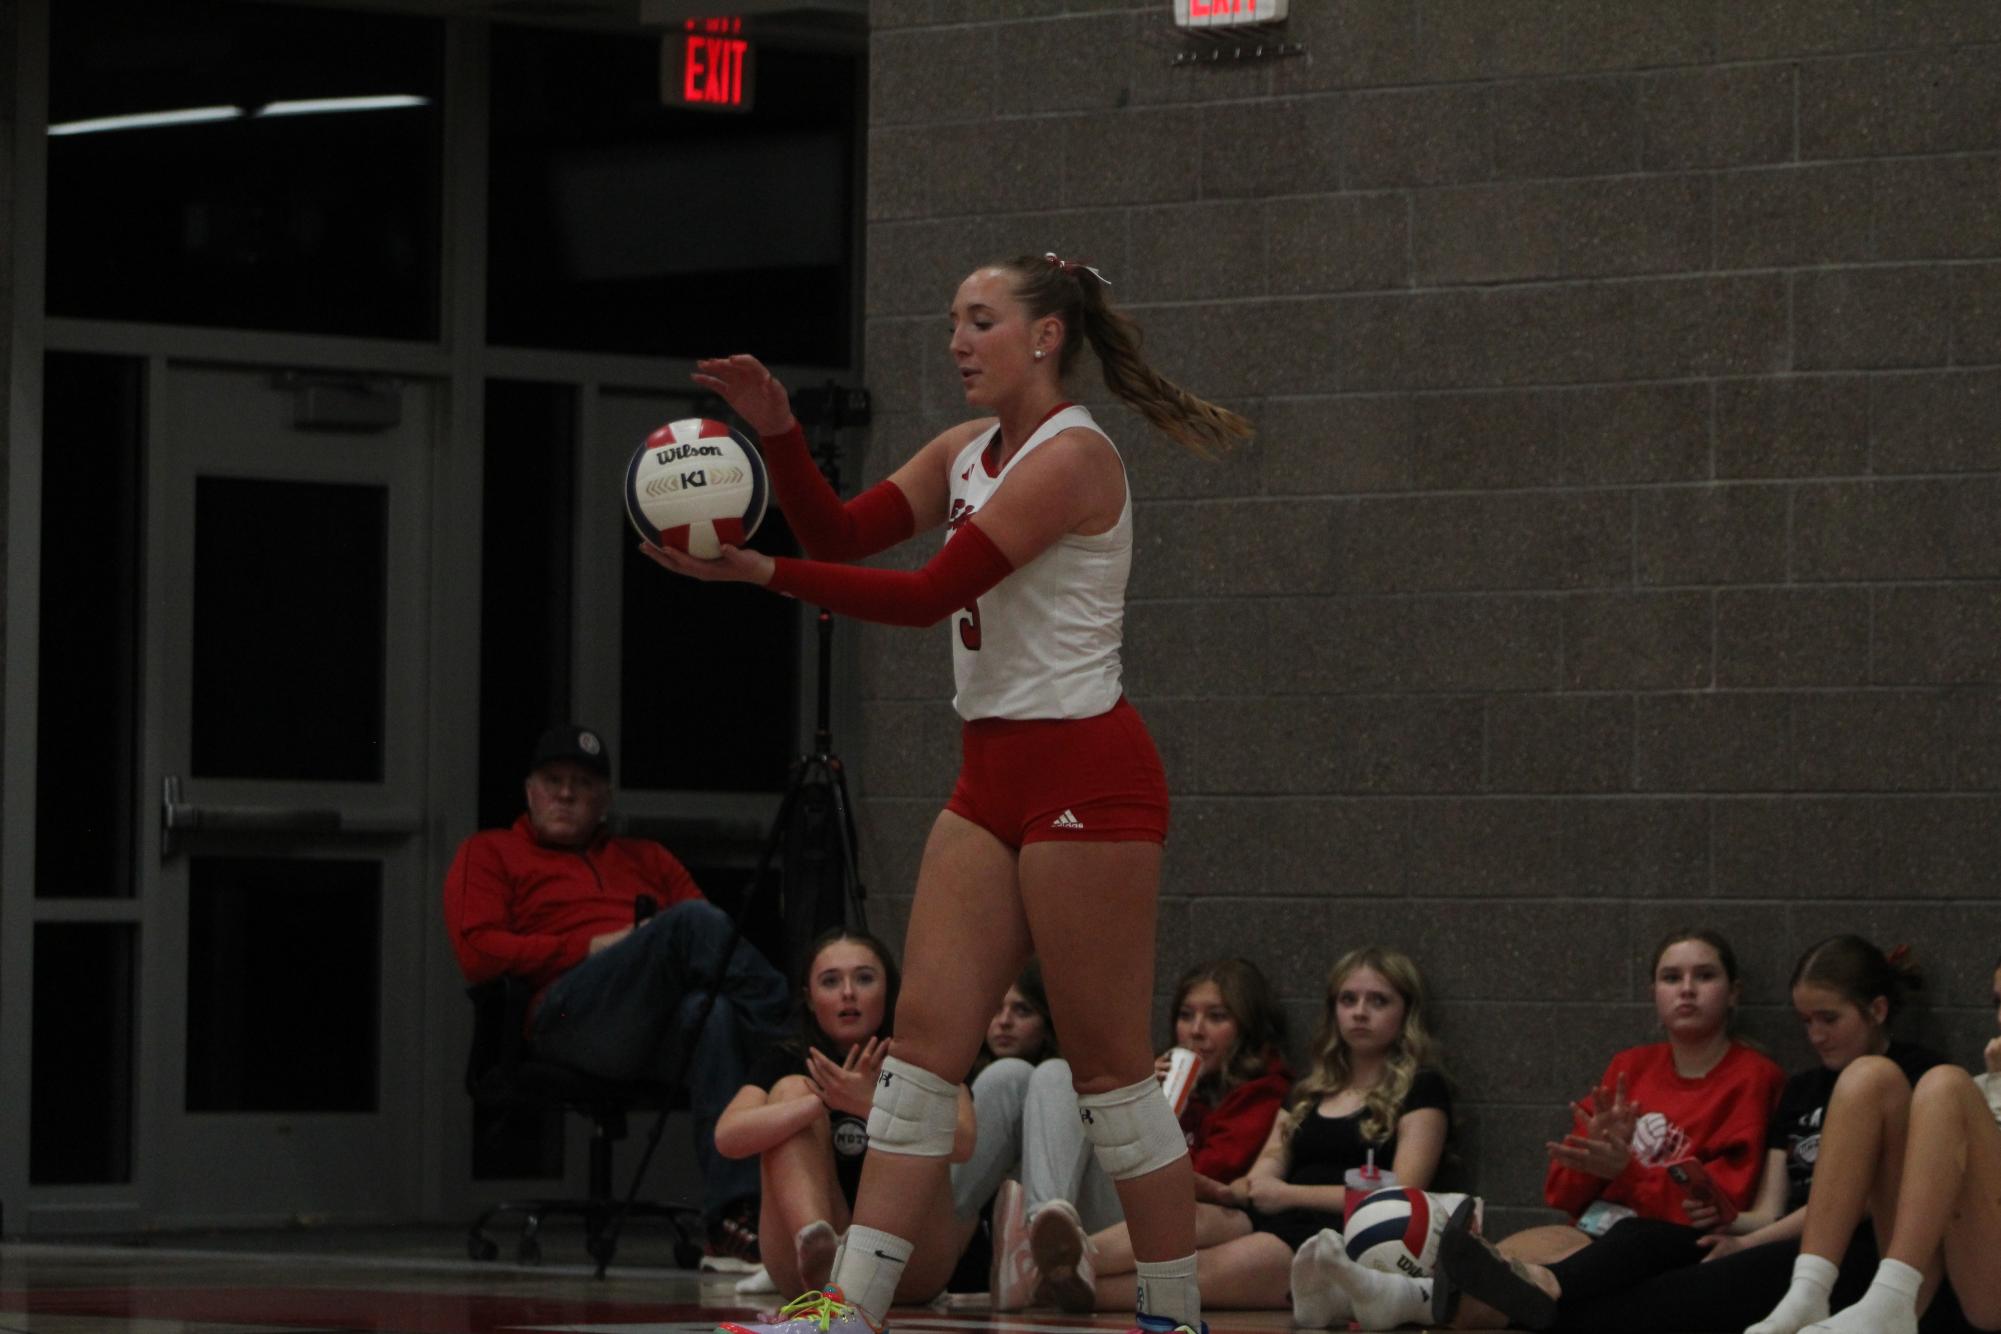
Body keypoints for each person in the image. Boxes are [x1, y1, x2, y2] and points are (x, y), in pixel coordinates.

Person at [654, 251, 1252, 1334]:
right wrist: (779, 429)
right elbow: (840, 531)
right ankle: (849, 1309)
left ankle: (1174, 1313)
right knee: (922, 1056)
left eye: (980, 320)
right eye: (951, 322)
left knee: (1114, 1072)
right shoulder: (964, 450)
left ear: (1046, 335)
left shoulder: (1073, 457)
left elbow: (931, 593)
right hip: (989, 771)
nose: (956, 342)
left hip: (1087, 773)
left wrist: (762, 573)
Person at [1426, 935, 1958, 1333]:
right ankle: (1529, 1285)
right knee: (1637, 1239)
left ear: (1878, 1011)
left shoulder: (1910, 1074)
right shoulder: (1801, 1088)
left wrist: (1745, 1240)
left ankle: (1506, 1310)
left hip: (1839, 1248)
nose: (1815, 1035)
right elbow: (1767, 1206)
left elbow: (1871, 1196)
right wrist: (1731, 1221)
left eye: (1829, 1019)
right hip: (1765, 1231)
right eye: (1805, 1022)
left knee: (1669, 1291)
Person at [443, 723, 793, 1262]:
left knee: (712, 1011)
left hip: (652, 1025)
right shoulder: (489, 853)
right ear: (529, 791)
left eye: (582, 784)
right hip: (565, 1017)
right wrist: (593, 948)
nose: (565, 793)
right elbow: (479, 952)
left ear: (604, 800)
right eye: (553, 780)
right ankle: (796, 1040)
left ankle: (732, 1218)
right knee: (687, 923)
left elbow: (713, 957)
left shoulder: (647, 857)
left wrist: (646, 950)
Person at [1076, 947, 1452, 1321]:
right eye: (1348, 999)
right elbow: (1265, 1171)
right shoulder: (1311, 1090)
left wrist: (1287, 1194)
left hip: (1337, 1235)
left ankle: (1065, 1287)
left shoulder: (1422, 1089)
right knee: (1191, 1217)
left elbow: (1404, 1194)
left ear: (1406, 1012)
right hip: (1270, 1214)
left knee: (1197, 1271)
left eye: (1378, 1001)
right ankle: (1064, 1258)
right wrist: (1228, 1190)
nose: (1359, 1012)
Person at [986, 957, 1291, 1311]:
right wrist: (1141, 1092)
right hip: (1125, 1206)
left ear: (1246, 1027)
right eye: (1186, 1015)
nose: (1196, 1030)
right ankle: (1039, 1230)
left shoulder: (1262, 1092)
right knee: (1056, 1073)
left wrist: (1152, 1112)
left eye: (1217, 1017)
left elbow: (1212, 1174)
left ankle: (1036, 1264)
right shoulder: (1162, 1077)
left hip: (1173, 1221)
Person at [1744, 953, 2001, 1334]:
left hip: (1989, 1289)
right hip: (1934, 1274)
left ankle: (1892, 1299)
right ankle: (1809, 1292)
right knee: (1869, 1076)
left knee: (1946, 1084)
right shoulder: (1984, 1084)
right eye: (1998, 1003)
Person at [717, 928, 974, 1302]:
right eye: (831, 981)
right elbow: (728, 1137)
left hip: (907, 1264)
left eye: (865, 978)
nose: (848, 993)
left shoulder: (921, 1056)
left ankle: (847, 1266)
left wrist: (869, 1105)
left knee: (915, 1090)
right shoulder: (787, 1058)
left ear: (890, 992)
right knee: (791, 1090)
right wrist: (822, 1102)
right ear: (808, 998)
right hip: (808, 1268)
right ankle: (815, 1244)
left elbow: (964, 1142)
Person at [942, 961, 1060, 1299]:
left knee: (1044, 1076)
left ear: (1048, 1022)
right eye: (994, 1009)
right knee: (1007, 1076)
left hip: (1056, 1242)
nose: (1004, 1021)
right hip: (959, 1254)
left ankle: (1039, 1249)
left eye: (1022, 1010)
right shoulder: (959, 1081)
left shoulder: (1064, 1085)